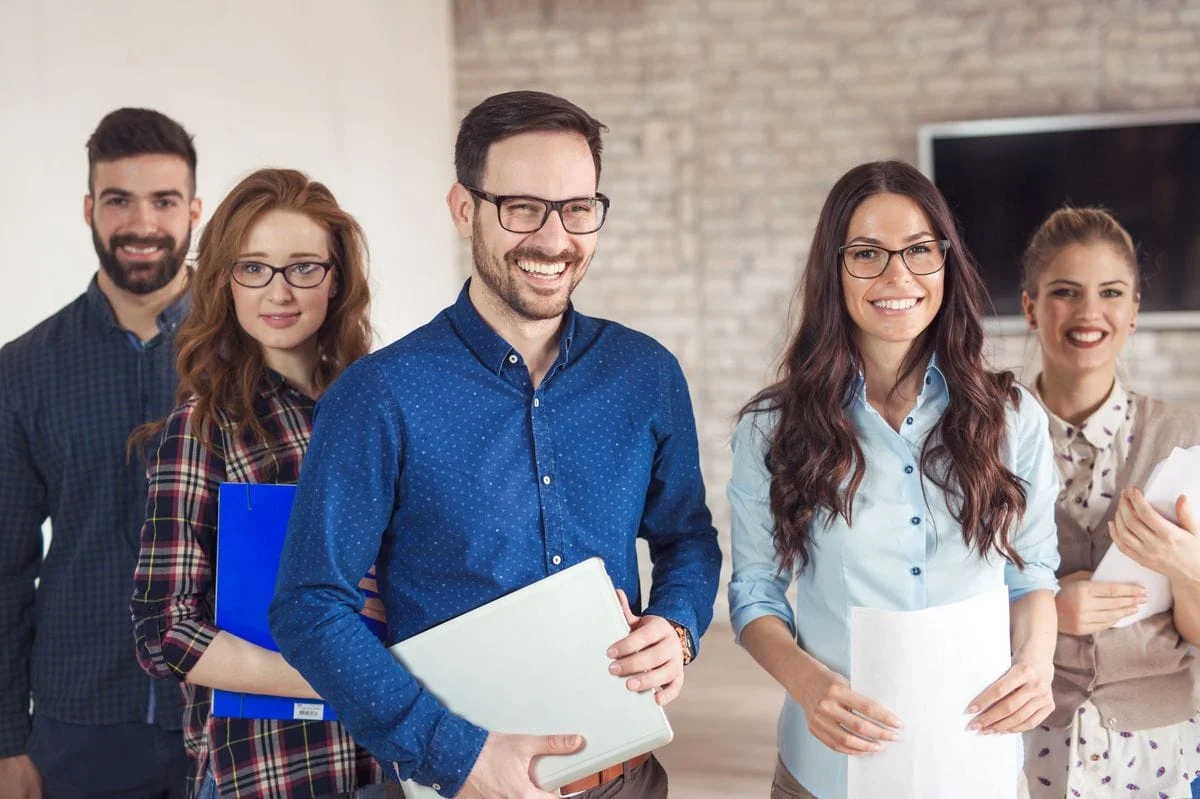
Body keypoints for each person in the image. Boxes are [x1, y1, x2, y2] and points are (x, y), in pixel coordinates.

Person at [267, 89, 722, 799]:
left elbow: (687, 536)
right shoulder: (378, 396)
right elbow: (308, 606)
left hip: (627, 781)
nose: (554, 237)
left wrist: (679, 624)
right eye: (522, 208)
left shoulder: (645, 375)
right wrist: (454, 754)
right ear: (463, 209)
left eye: (577, 208)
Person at [727, 160, 1061, 799]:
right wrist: (806, 684)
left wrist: (1036, 663)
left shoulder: (1013, 418)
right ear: (835, 268)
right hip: (827, 771)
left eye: (917, 251)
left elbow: (1032, 573)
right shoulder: (772, 427)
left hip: (976, 763)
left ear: (946, 262)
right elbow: (755, 596)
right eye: (867, 254)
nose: (897, 276)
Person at [129, 168, 393, 799]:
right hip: (263, 774)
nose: (280, 291)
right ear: (224, 280)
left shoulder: (378, 407)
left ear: (337, 280)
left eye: (305, 267)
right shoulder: (204, 426)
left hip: (385, 762)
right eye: (254, 268)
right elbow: (164, 631)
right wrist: (336, 676)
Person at [0, 108, 200, 799]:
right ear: (90, 208)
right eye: (118, 200)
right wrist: (6, 743)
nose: (140, 223)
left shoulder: (250, 350)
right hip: (77, 725)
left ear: (194, 210)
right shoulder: (23, 369)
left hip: (228, 709)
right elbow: (2, 567)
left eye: (164, 201)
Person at [1017, 207, 1200, 799]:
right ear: (1030, 307)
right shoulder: (982, 435)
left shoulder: (1184, 437)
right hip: (1028, 728)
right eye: (1065, 292)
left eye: (1111, 293)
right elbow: (940, 589)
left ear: (1134, 311)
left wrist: (1185, 567)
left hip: (1159, 741)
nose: (1089, 312)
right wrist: (1045, 608)